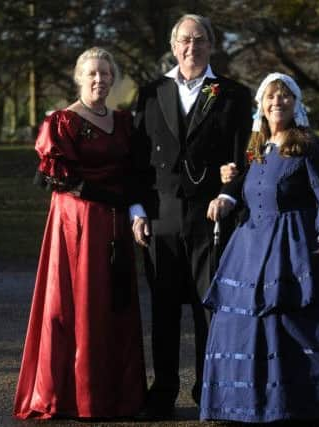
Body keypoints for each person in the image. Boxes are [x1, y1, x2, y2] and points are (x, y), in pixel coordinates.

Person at [201, 72, 319, 423]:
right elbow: (250, 188)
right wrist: (227, 195)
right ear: (262, 105)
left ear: (295, 102)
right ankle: (253, 401)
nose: (277, 103)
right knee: (247, 323)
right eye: (271, 97)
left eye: (284, 96)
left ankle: (302, 400)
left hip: (292, 245)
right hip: (251, 246)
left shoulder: (306, 145)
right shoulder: (258, 148)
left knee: (293, 321)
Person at [13, 47, 148, 420]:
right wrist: (112, 199)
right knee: (79, 303)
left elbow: (133, 171)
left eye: (106, 74)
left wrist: (130, 205)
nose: (99, 80)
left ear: (114, 79)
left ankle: (115, 396)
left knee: (112, 303)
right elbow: (61, 180)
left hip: (116, 223)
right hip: (78, 225)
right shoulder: (62, 122)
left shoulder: (123, 122)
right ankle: (76, 397)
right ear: (79, 77)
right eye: (92, 73)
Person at [132, 13, 252, 416]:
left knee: (208, 308)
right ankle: (163, 391)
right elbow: (136, 162)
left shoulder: (233, 94)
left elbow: (244, 159)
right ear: (173, 45)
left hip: (210, 215)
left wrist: (229, 195)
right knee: (163, 308)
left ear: (210, 45)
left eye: (199, 40)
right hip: (161, 214)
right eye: (184, 40)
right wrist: (137, 211)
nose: (191, 47)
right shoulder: (150, 93)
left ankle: (209, 392)